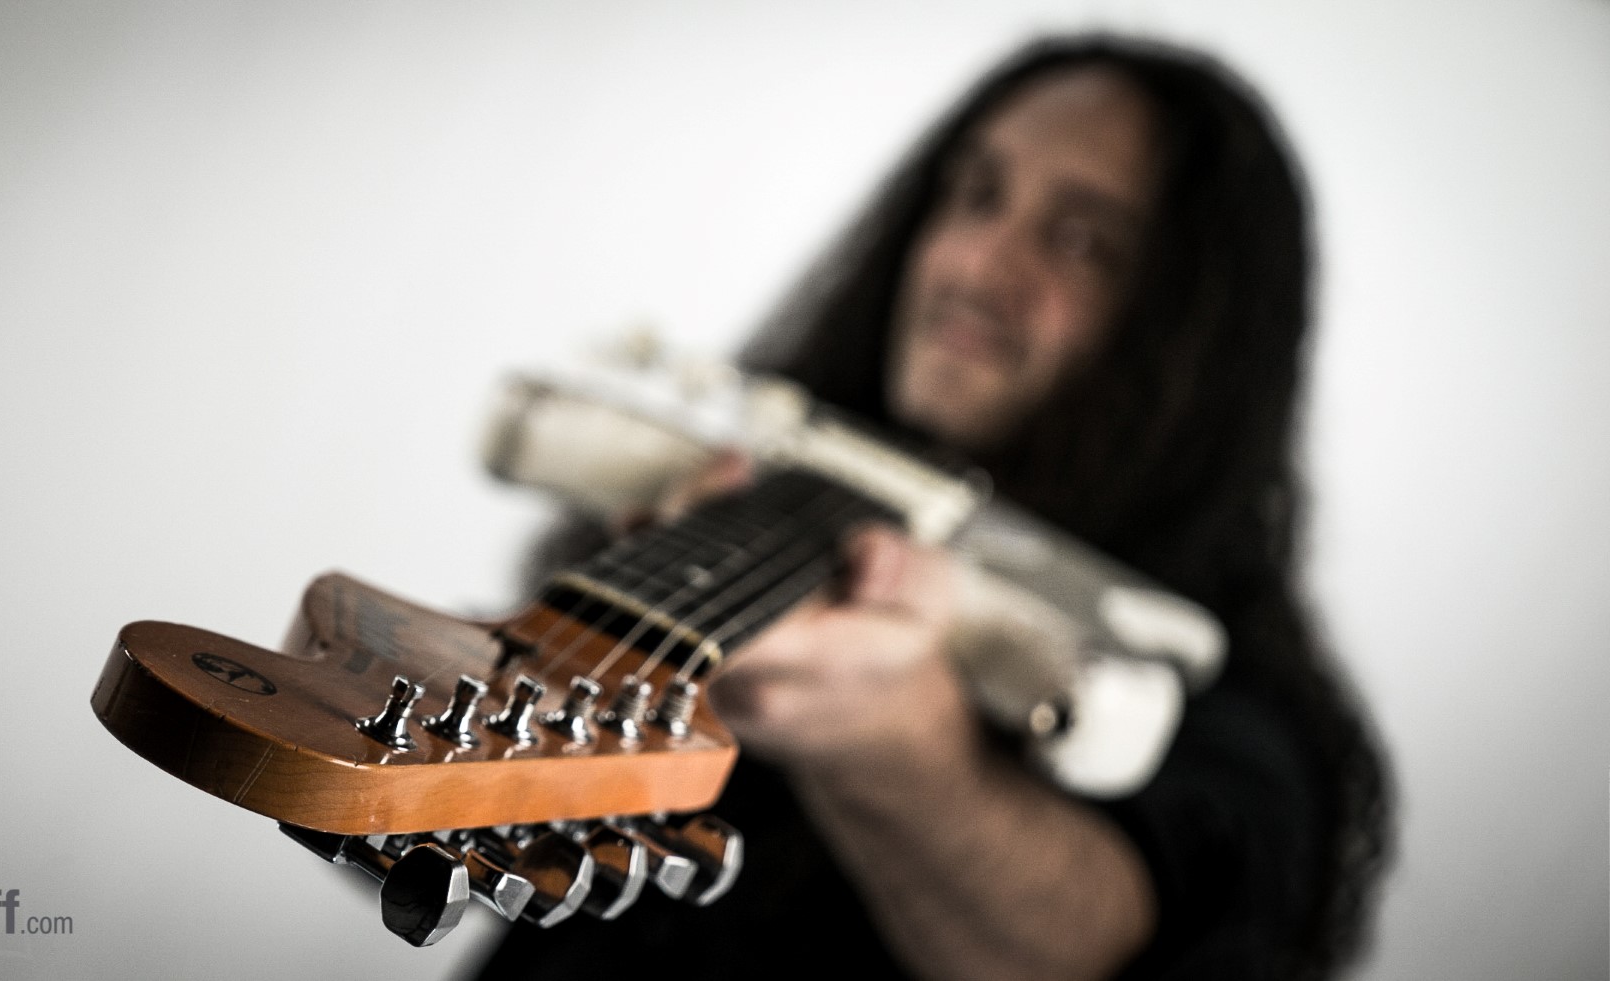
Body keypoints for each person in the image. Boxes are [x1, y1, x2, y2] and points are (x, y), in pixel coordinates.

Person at [473, 34, 1390, 981]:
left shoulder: (1232, 702)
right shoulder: (750, 473)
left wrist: (899, 747)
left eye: (1081, 241)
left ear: (1194, 339)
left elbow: (1098, 944)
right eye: (976, 195)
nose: (977, 265)